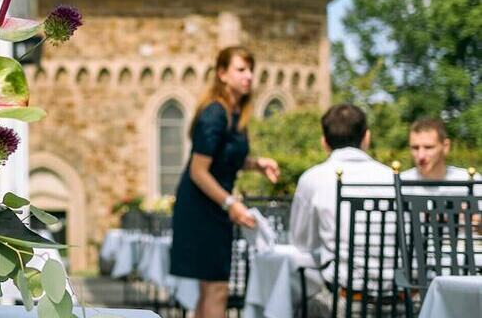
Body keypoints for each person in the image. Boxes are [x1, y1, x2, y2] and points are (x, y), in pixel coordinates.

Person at [170, 46, 280, 318]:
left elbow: (225, 158)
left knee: (211, 289)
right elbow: (198, 170)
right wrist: (230, 203)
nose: (249, 76)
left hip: (214, 206)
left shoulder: (234, 113)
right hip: (201, 207)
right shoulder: (214, 114)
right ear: (222, 74)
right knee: (216, 288)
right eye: (241, 70)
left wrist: (256, 164)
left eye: (251, 70)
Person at [289, 104, 393, 291]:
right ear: (366, 137)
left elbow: (302, 243)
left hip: (344, 298)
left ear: (324, 142)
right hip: (400, 297)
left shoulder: (313, 178)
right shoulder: (393, 178)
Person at [401, 117, 478, 189]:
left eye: (428, 147)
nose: (421, 155)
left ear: (445, 147)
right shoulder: (399, 185)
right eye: (415, 148)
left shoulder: (471, 182)